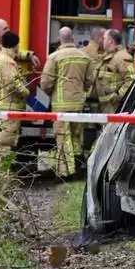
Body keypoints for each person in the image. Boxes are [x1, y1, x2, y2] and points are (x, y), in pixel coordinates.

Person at [40, 26, 92, 178]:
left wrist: (52, 93)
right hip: (78, 103)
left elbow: (46, 82)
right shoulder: (84, 57)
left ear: (59, 40)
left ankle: (66, 172)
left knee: (63, 137)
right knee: (76, 136)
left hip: (61, 105)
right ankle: (78, 166)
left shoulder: (54, 57)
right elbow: (89, 80)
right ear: (72, 39)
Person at [0, 30, 31, 166]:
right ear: (15, 45)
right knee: (5, 145)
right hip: (9, 108)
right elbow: (12, 84)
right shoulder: (7, 62)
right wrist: (26, 92)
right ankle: (2, 176)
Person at [90, 29, 135, 113]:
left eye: (104, 38)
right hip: (104, 107)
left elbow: (133, 80)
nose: (102, 41)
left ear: (110, 41)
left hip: (114, 108)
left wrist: (118, 96)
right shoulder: (107, 57)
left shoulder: (122, 58)